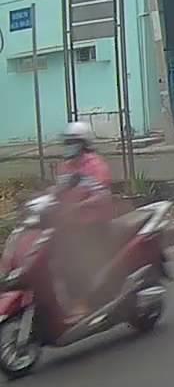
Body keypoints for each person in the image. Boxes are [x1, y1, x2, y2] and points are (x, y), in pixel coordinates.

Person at [54, 122, 114, 318]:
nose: (69, 147)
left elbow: (103, 195)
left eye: (73, 142)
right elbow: (58, 190)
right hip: (71, 223)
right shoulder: (65, 167)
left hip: (95, 223)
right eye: (67, 143)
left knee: (75, 259)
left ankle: (82, 303)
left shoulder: (95, 165)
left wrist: (81, 205)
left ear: (84, 144)